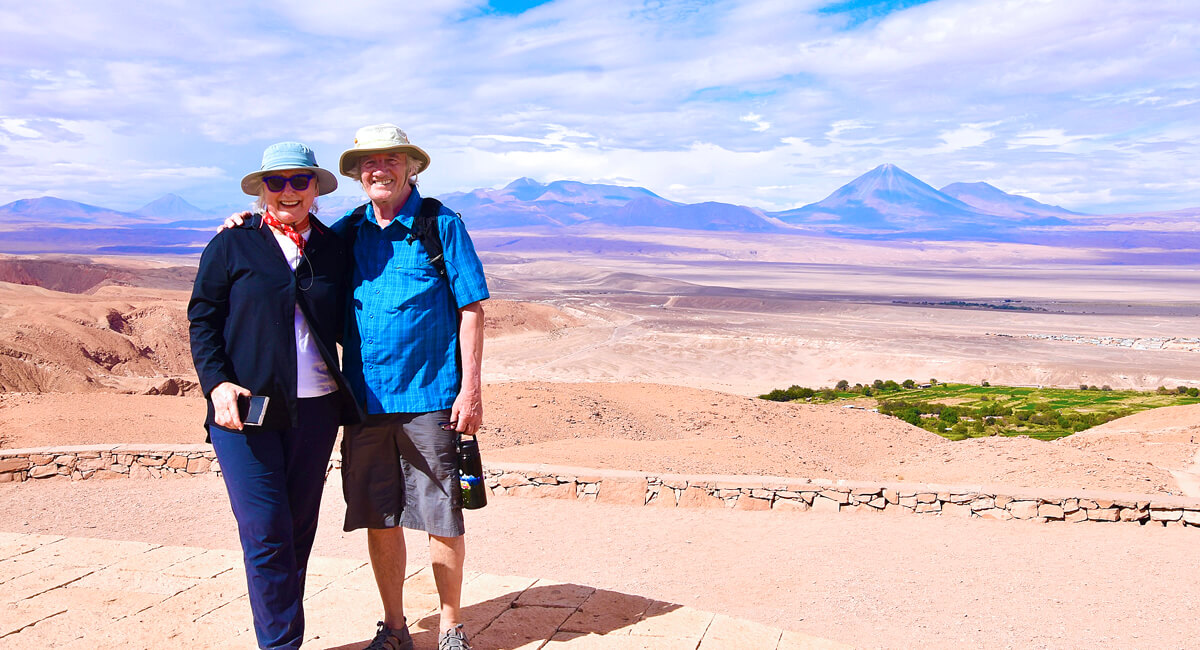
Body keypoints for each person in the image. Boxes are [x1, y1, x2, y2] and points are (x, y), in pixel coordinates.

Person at [189, 142, 361, 649]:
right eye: (276, 182)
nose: (287, 191)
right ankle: (281, 645)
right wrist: (216, 383)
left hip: (316, 409)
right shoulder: (233, 243)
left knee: (297, 531)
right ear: (261, 188)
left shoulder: (334, 248)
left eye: (299, 181)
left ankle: (284, 635)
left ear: (315, 189)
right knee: (266, 530)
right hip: (242, 410)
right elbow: (203, 319)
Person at [334, 124, 488, 650]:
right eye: (367, 163)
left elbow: (471, 309)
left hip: (431, 398)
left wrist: (470, 391)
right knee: (380, 513)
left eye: (390, 160)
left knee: (442, 515)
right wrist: (243, 226)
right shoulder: (349, 231)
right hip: (365, 400)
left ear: (411, 167)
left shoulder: (441, 225)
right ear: (357, 175)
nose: (378, 170)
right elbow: (290, 248)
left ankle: (450, 626)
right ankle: (395, 626)